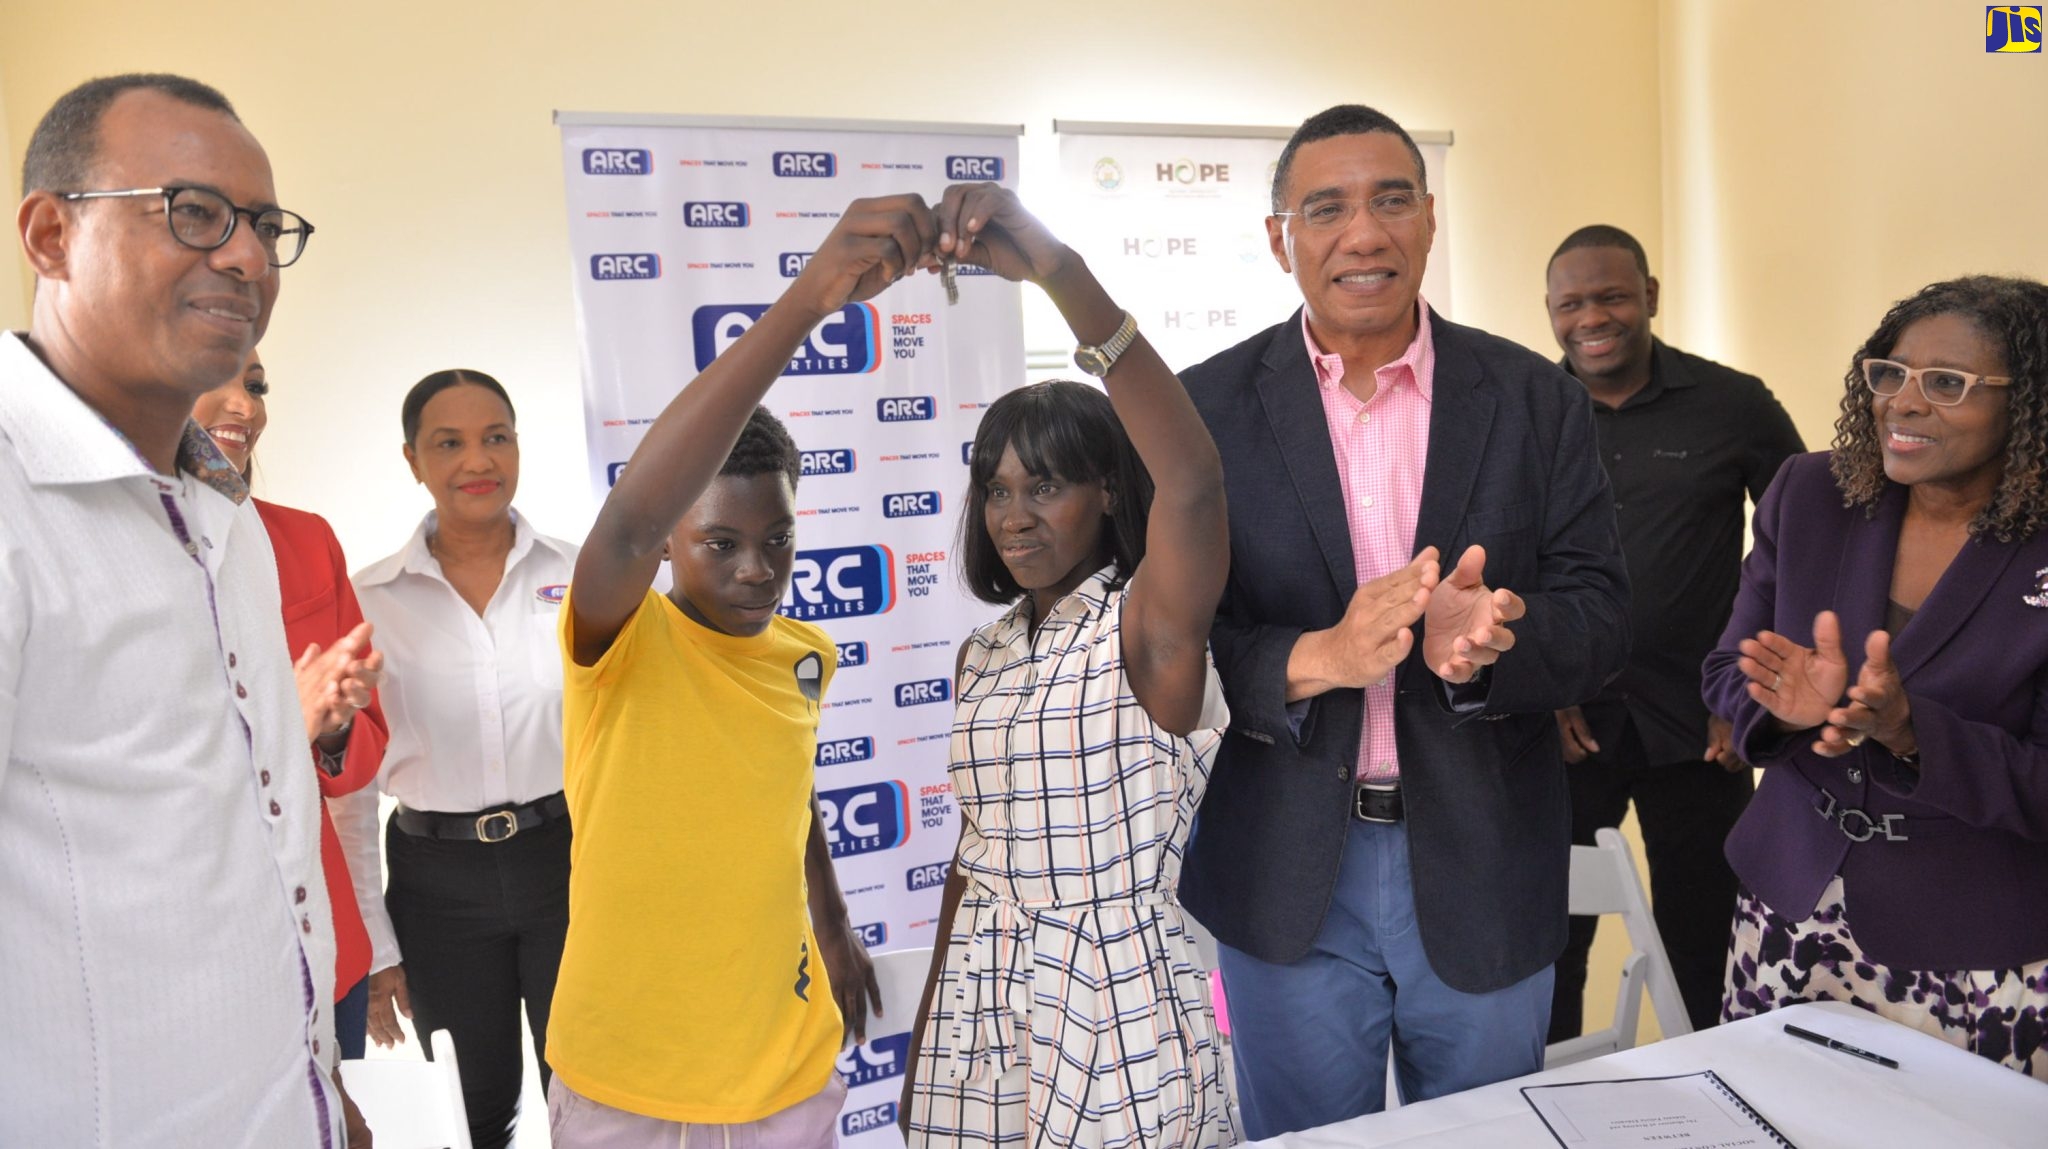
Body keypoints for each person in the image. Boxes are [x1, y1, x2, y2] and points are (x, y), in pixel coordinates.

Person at [1177, 104, 1631, 1136]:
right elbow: (1168, 646)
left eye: (1389, 200)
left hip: (1481, 858)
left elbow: (1602, 617)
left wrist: (1490, 649)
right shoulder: (1203, 410)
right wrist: (1316, 656)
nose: (1362, 233)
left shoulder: (1530, 398)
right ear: (1277, 236)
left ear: (1428, 219)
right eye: (1324, 207)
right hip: (1285, 871)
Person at [1, 73, 373, 1146]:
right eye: (194, 213)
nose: (248, 257)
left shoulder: (223, 512)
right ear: (49, 234)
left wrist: (318, 1088)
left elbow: (257, 843)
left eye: (264, 226)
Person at [545, 195, 906, 1149]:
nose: (757, 567)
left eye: (777, 540)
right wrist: (804, 306)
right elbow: (620, 524)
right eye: (721, 542)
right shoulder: (616, 638)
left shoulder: (805, 656)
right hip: (628, 1073)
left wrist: (832, 924)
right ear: (668, 543)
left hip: (780, 1062)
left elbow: (791, 800)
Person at [898, 185, 1233, 1149]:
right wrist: (929, 1033)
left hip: (1120, 993)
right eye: (997, 489)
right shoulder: (986, 651)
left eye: (1045, 485)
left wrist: (1058, 273)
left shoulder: (1146, 623)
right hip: (982, 993)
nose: (1014, 515)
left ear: (1110, 490)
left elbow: (1196, 478)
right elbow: (972, 855)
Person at [1704, 275, 2048, 1076]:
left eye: (1948, 383)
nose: (1905, 401)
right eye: (1889, 372)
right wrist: (1788, 712)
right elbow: (1726, 671)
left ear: (2028, 404)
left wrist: (1907, 730)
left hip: (1974, 941)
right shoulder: (1813, 493)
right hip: (1791, 905)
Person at [1541, 225, 1804, 1040]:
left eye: (1612, 295)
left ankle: (1717, 1095)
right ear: (1549, 312)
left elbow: (1801, 545)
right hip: (1562, 729)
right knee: (1546, 941)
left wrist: (1750, 687)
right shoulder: (1525, 409)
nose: (1593, 316)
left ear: (1651, 296)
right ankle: (1529, 1109)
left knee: (1708, 938)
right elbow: (1500, 559)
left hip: (1703, 726)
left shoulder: (1736, 404)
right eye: (1571, 303)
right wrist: (1541, 688)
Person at [332, 369, 578, 1149]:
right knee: (472, 1113)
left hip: (567, 862)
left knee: (590, 1090)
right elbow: (350, 789)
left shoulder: (578, 576)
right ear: (413, 460)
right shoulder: (368, 600)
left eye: (496, 436)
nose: (479, 460)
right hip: (437, 886)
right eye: (450, 443)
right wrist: (376, 943)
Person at [191, 348, 393, 1059]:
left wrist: (332, 729)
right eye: (212, 381)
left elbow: (363, 749)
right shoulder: (110, 552)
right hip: (202, 947)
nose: (243, 406)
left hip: (321, 932)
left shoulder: (306, 540)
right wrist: (287, 723)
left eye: (254, 385)